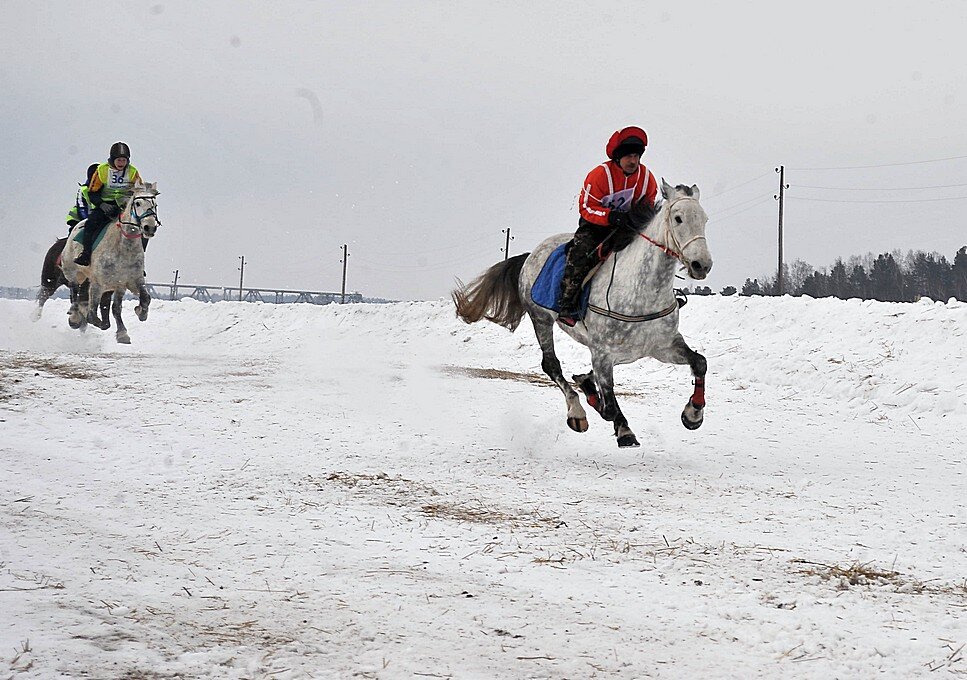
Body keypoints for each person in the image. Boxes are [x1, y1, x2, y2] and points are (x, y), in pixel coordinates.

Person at [557, 126, 659, 326]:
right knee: (581, 254)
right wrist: (610, 216)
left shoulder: (647, 179)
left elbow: (648, 206)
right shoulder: (599, 175)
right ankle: (567, 303)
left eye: (636, 156)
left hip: (628, 227)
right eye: (628, 156)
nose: (633, 161)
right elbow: (586, 206)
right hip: (595, 226)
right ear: (618, 157)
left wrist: (636, 220)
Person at [74, 142, 142, 266]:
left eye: (124, 160)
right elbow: (92, 192)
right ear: (112, 159)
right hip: (106, 205)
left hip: (125, 205)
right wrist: (102, 204)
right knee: (90, 224)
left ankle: (138, 260)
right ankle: (86, 254)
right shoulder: (102, 170)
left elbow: (139, 190)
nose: (121, 163)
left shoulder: (133, 172)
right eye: (119, 160)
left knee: (143, 225)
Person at [65, 163, 100, 232]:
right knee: (80, 234)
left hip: (94, 218)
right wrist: (88, 222)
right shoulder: (84, 190)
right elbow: (82, 208)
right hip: (78, 219)